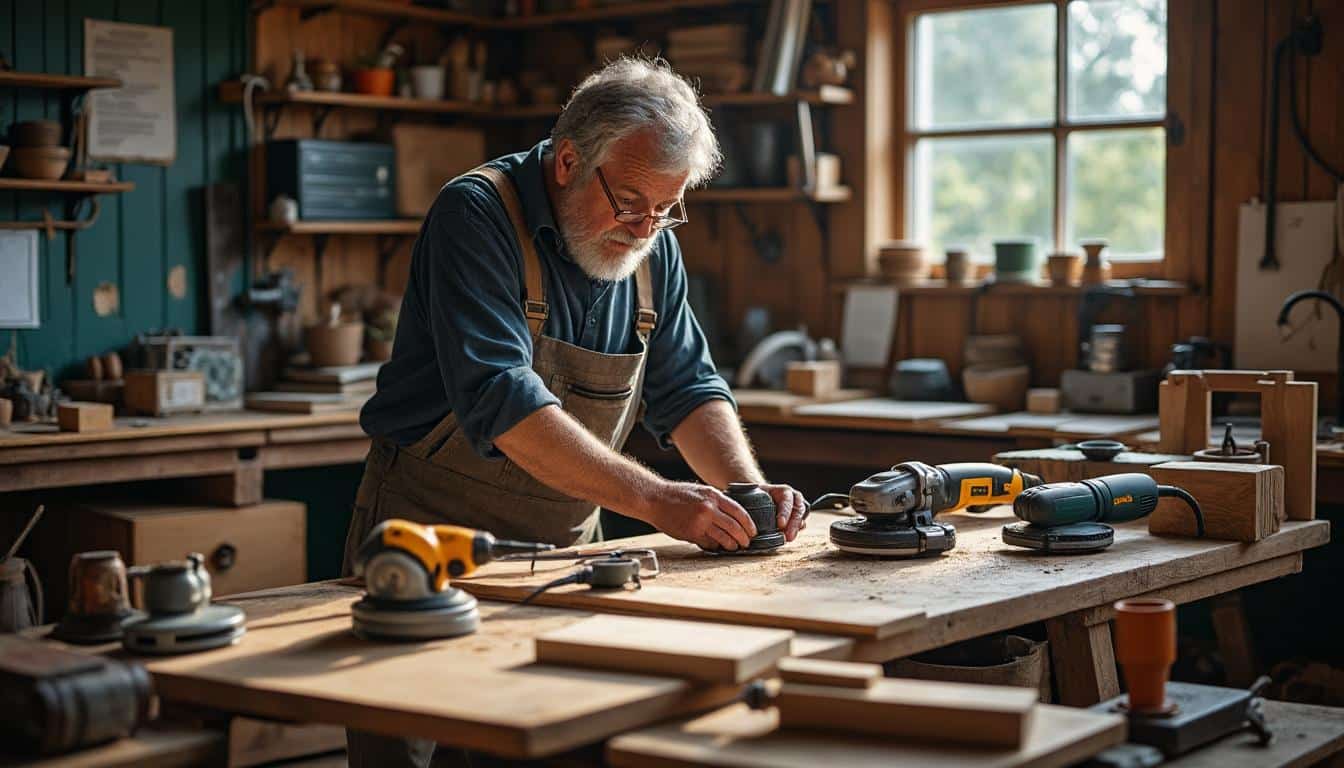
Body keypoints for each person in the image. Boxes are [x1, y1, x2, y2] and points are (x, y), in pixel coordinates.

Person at [343, 58, 808, 767]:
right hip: (425, 546)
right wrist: (659, 500)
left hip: (561, 555)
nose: (646, 226)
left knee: (551, 740)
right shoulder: (476, 215)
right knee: (414, 747)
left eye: (667, 208)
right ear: (567, 161)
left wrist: (747, 490)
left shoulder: (654, 250)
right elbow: (505, 401)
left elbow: (687, 386)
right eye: (629, 202)